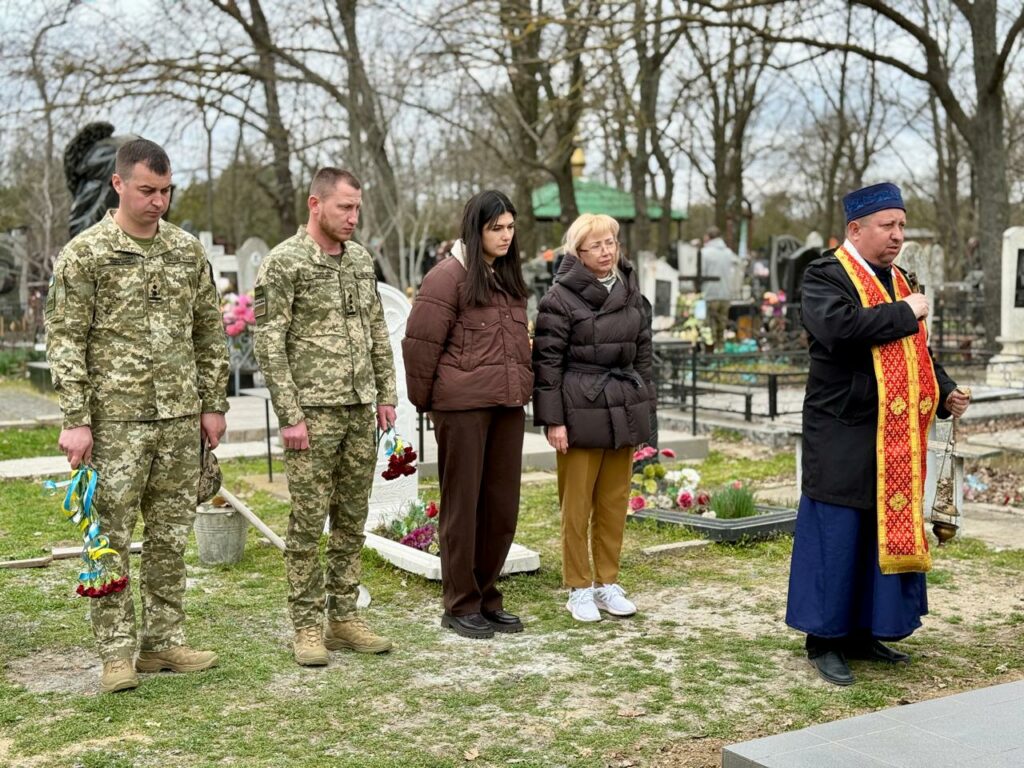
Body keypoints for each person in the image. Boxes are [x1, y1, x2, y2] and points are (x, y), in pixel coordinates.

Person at [45, 138, 229, 693]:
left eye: (166, 191)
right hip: (114, 422)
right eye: (148, 191)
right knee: (110, 537)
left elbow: (208, 331)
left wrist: (213, 403)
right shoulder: (86, 253)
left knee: (171, 534)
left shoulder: (185, 252)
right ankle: (116, 653)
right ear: (119, 184)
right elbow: (65, 338)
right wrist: (77, 417)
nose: (158, 202)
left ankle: (163, 642)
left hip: (178, 419)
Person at [785, 182, 972, 686]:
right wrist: (906, 311)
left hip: (893, 433)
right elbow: (839, 328)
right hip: (842, 428)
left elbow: (917, 351)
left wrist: (947, 389)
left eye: (901, 225)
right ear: (855, 229)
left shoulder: (898, 277)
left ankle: (865, 631)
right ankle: (824, 639)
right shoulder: (826, 274)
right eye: (887, 226)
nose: (897, 236)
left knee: (875, 530)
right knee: (838, 532)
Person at [252, 168, 398, 666]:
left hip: (360, 410)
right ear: (316, 205)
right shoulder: (285, 262)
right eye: (344, 208)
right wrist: (290, 415)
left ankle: (343, 616)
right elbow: (269, 345)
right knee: (308, 522)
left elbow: (377, 331)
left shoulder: (359, 259)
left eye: (357, 208)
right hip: (311, 415)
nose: (353, 217)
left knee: (353, 521)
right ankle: (307, 625)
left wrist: (386, 394)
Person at [402, 190, 533, 639]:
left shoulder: (509, 280)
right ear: (475, 230)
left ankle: (487, 595)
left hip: (507, 407)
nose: (505, 236)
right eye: (496, 228)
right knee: (463, 507)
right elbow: (420, 347)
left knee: (501, 508)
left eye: (510, 227)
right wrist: (430, 405)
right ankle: (460, 603)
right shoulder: (447, 277)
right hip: (462, 411)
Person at [533, 213, 656, 622]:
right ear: (578, 252)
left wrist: (645, 417)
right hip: (579, 405)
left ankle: (607, 582)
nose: (606, 252)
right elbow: (547, 365)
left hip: (621, 404)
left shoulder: (632, 292)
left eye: (611, 243)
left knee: (613, 501)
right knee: (577, 504)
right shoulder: (559, 299)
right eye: (596, 245)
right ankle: (578, 586)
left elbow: (643, 359)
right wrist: (554, 421)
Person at [700, 226, 739, 349]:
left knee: (710, 328)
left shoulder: (705, 252)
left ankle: (710, 355)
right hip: (726, 294)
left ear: (709, 237)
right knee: (722, 327)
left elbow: (701, 273)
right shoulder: (728, 253)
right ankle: (720, 352)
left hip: (710, 294)